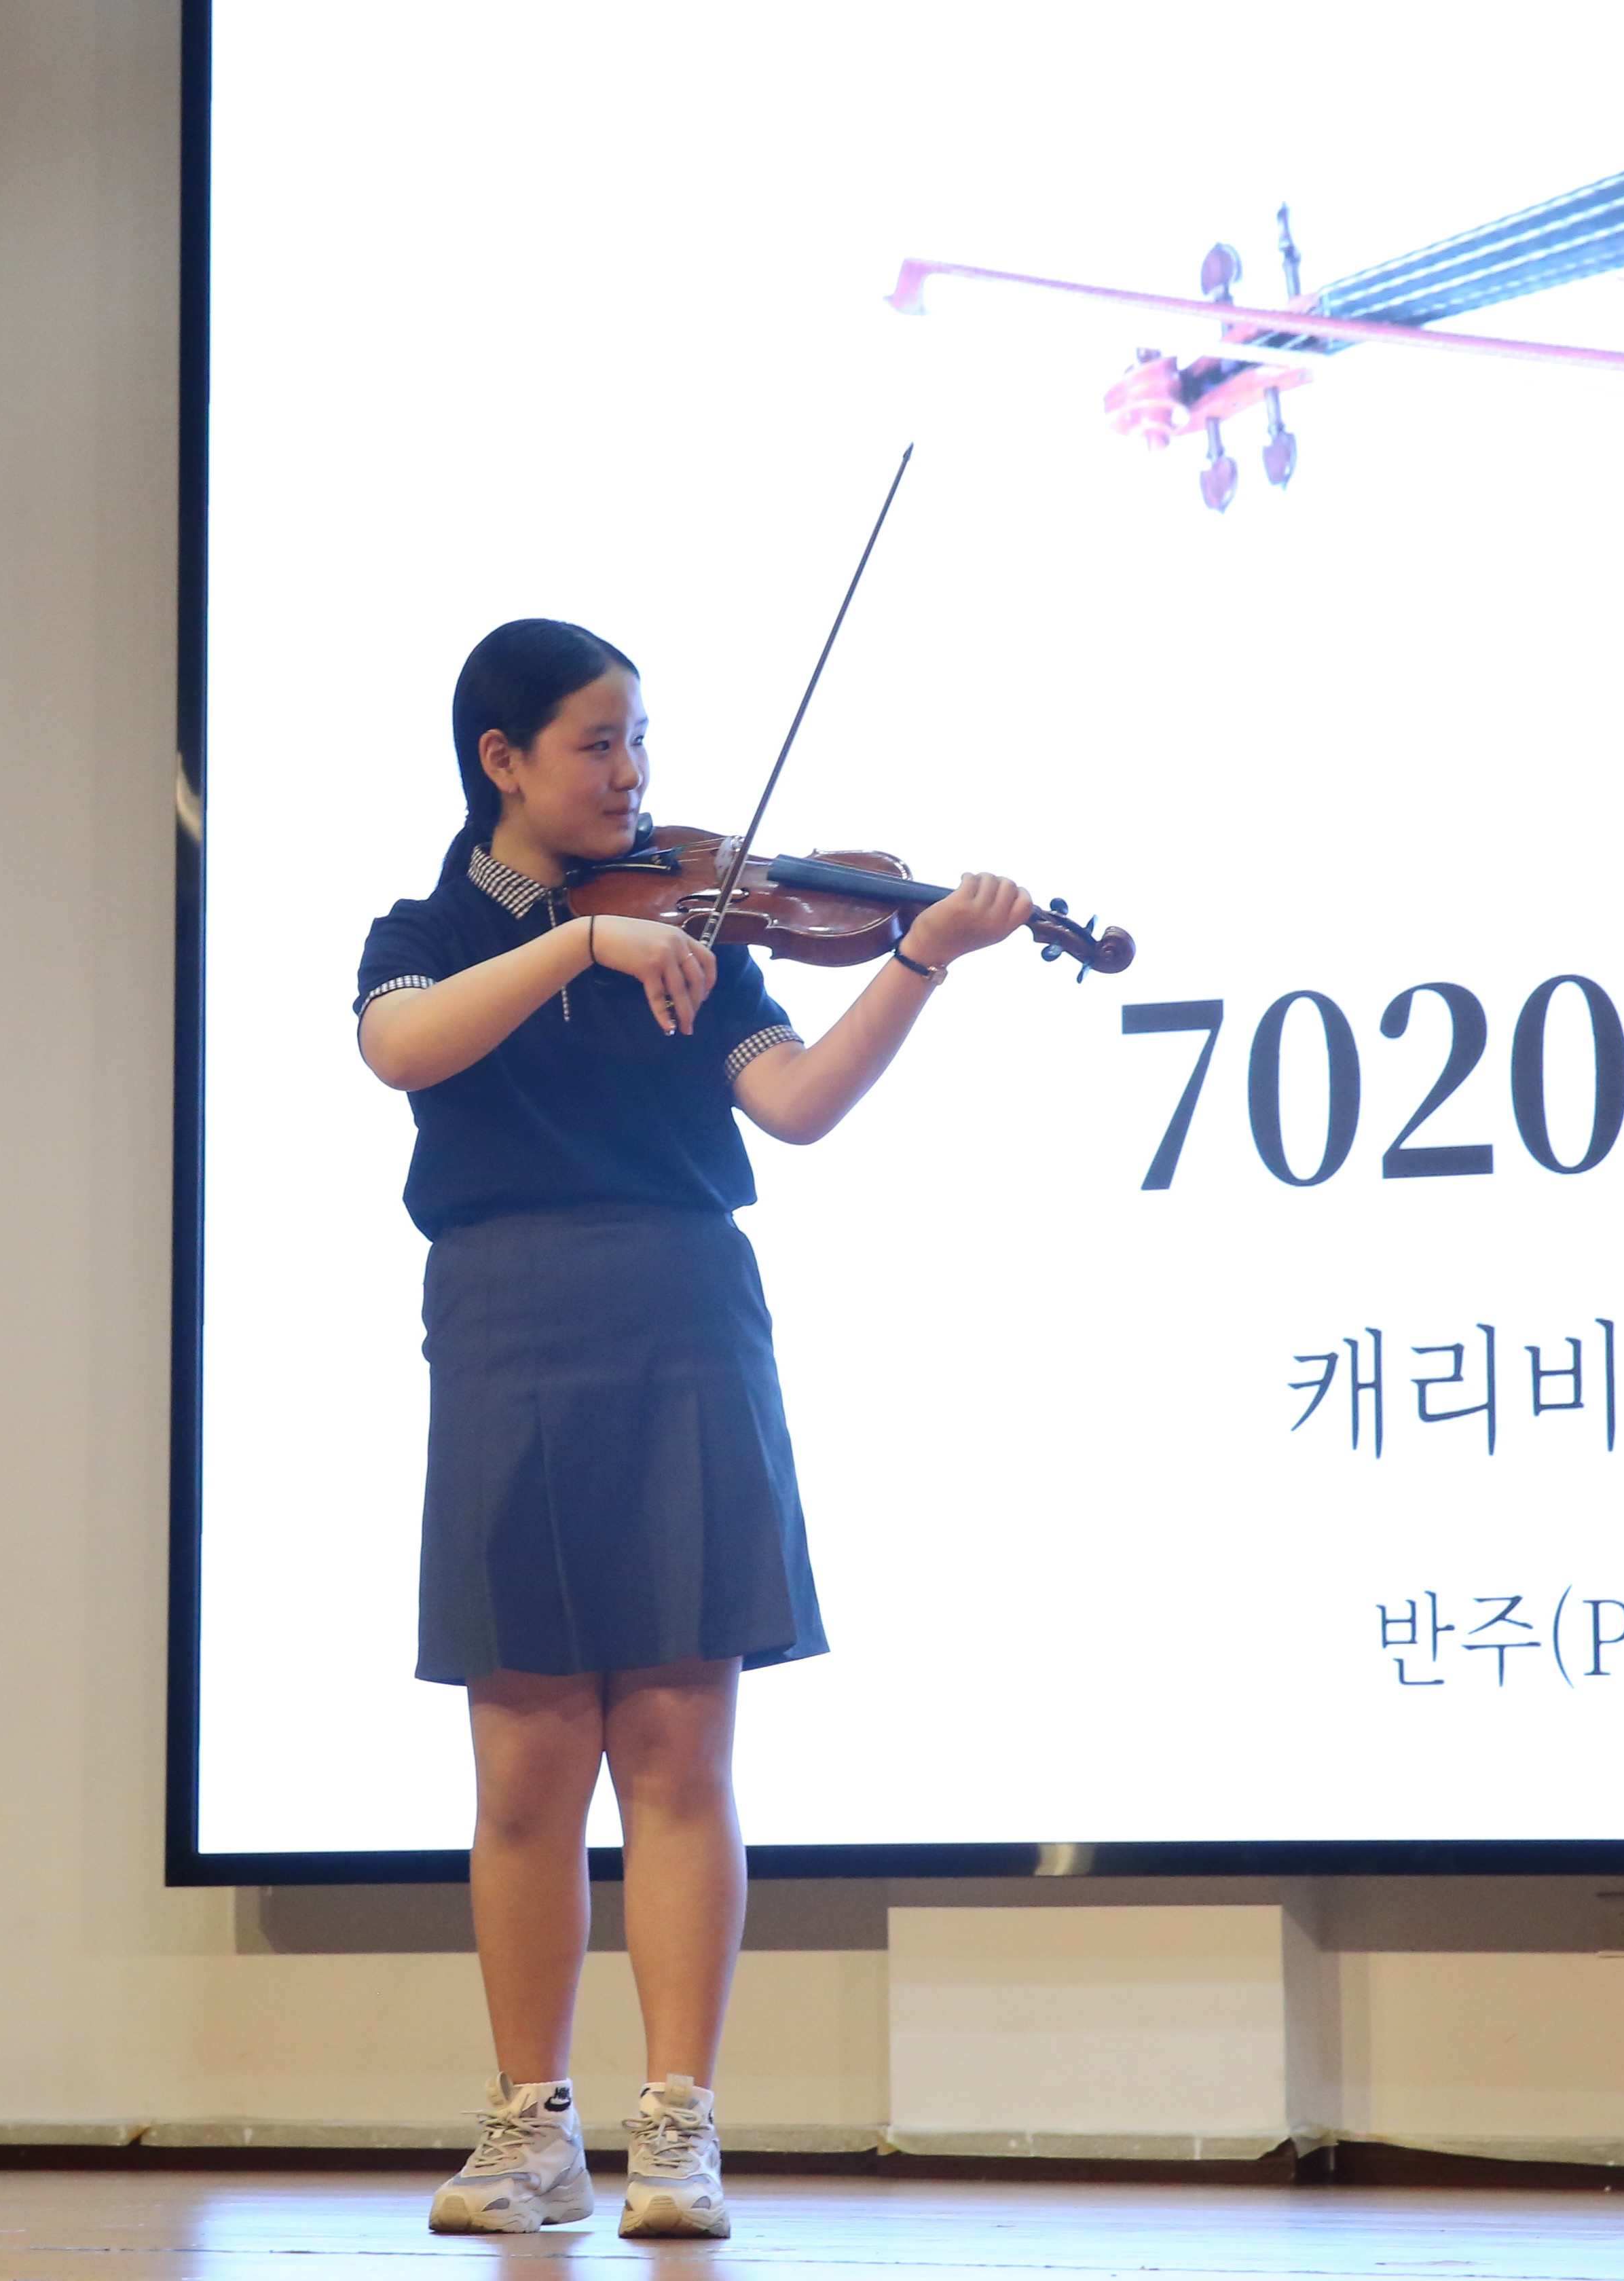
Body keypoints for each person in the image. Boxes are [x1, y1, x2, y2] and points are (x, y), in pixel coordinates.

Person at [353, 618, 1032, 2238]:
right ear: (502, 760)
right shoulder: (430, 930)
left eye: (640, 740)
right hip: (507, 1321)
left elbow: (796, 1104)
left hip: (681, 1313)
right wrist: (581, 947)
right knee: (527, 1758)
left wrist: (919, 959)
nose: (634, 774)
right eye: (598, 744)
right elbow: (401, 1047)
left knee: (676, 1743)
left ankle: (678, 2130)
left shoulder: (702, 927)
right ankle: (533, 2132)